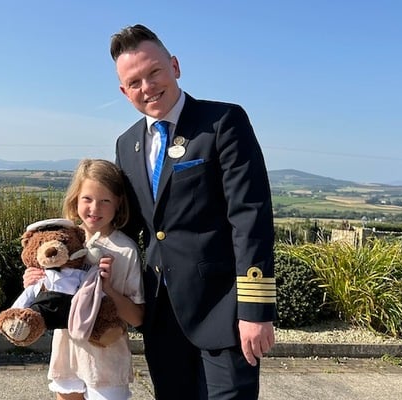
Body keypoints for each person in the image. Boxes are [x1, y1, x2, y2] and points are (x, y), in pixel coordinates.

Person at [109, 24, 277, 399]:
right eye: (134, 82)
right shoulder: (126, 144)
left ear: (175, 66)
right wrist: (67, 261)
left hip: (224, 311)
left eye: (154, 72)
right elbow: (123, 226)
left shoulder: (222, 123)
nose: (147, 87)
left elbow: (250, 218)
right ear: (124, 92)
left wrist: (255, 310)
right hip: (161, 315)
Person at [24, 158, 145, 400]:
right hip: (67, 355)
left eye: (105, 201)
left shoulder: (124, 250)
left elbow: (137, 317)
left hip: (107, 361)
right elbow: (52, 298)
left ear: (119, 203)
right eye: (87, 199)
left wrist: (108, 288)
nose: (95, 208)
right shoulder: (61, 242)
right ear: (75, 199)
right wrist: (34, 282)